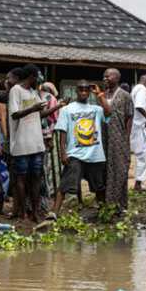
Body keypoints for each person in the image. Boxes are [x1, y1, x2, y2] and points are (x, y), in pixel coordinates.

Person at [53, 80, 107, 213]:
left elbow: (109, 112)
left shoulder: (97, 109)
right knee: (65, 184)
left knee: (99, 187)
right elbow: (62, 131)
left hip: (95, 155)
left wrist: (100, 94)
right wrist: (63, 153)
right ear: (76, 91)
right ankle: (53, 213)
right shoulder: (67, 109)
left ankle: (105, 212)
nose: (83, 92)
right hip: (75, 154)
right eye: (81, 89)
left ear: (89, 92)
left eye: (86, 90)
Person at [8, 65, 52, 221]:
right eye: (37, 77)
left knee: (36, 178)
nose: (38, 80)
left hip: (37, 144)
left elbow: (40, 114)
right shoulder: (16, 91)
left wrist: (57, 106)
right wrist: (32, 108)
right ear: (31, 76)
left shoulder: (34, 92)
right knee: (21, 179)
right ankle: (22, 213)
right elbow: (15, 114)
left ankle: (34, 211)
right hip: (21, 144)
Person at [101, 68, 134, 212]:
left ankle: (120, 204)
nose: (105, 78)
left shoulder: (125, 95)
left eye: (108, 76)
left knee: (120, 169)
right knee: (106, 169)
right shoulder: (103, 94)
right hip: (104, 137)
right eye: (104, 76)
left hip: (119, 137)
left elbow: (129, 117)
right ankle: (108, 202)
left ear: (116, 77)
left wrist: (126, 138)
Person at [130, 75, 146, 191]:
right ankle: (138, 184)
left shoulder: (137, 88)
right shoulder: (141, 89)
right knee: (142, 157)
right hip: (139, 128)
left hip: (139, 128)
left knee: (141, 156)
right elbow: (139, 106)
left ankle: (139, 182)